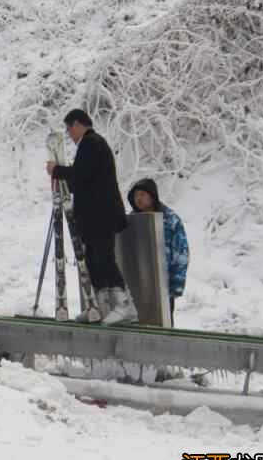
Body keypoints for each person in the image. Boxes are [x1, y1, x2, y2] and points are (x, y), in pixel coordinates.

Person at [45, 109, 138, 325]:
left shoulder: (92, 143)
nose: (70, 135)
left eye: (69, 130)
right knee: (94, 261)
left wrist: (57, 170)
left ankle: (125, 304)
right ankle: (100, 307)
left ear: (77, 124)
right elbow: (81, 181)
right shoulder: (92, 145)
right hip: (93, 215)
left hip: (101, 214)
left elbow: (81, 174)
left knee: (104, 258)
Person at [127, 178, 189, 326]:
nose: (138, 199)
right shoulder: (131, 220)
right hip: (138, 285)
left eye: (142, 194)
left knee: (164, 324)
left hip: (164, 284)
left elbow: (181, 253)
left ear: (152, 196)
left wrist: (176, 284)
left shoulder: (170, 219)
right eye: (136, 196)